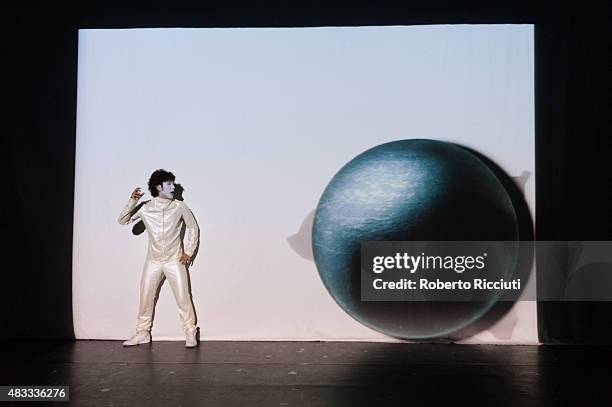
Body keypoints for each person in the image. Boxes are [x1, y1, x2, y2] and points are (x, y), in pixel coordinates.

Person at [118, 169, 200, 348]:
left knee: (183, 296)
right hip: (153, 261)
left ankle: (190, 331)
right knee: (146, 296)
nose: (173, 187)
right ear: (158, 187)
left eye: (173, 183)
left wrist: (189, 251)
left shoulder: (179, 206)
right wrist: (133, 200)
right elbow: (123, 220)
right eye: (169, 184)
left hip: (174, 260)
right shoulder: (146, 208)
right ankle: (142, 333)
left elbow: (193, 228)